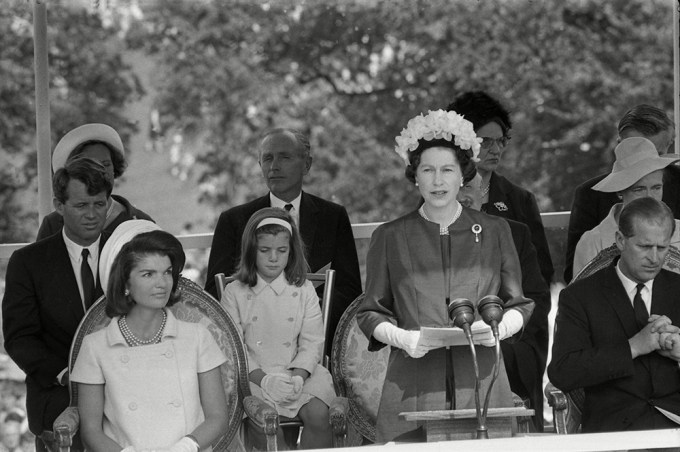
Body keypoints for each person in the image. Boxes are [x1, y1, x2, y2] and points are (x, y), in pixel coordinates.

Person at [357, 109, 534, 442]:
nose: (438, 181)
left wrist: (497, 331)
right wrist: (403, 339)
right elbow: (370, 313)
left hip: (482, 377)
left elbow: (520, 304)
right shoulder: (390, 236)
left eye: (447, 170)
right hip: (414, 381)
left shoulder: (497, 231)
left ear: (462, 176)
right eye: (428, 170)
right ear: (415, 176)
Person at [70, 222, 229, 451]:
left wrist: (184, 447)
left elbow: (217, 418)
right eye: (148, 274)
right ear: (125, 283)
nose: (162, 283)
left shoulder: (197, 337)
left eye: (167, 272)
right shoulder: (95, 346)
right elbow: (91, 431)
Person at [205, 128, 362, 354]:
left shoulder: (332, 217)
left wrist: (308, 314)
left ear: (306, 164)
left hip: (317, 343)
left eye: (284, 157)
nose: (273, 166)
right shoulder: (234, 220)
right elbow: (215, 289)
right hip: (253, 346)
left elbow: (349, 289)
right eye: (267, 158)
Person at [2, 158, 112, 450]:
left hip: (125, 392)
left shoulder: (128, 256)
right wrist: (67, 375)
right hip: (58, 394)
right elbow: (19, 338)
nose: (91, 214)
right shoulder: (28, 263)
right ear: (59, 205)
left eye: (99, 204)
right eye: (81, 205)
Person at [549, 197, 680, 432]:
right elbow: (563, 371)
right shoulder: (580, 296)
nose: (654, 257)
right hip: (613, 432)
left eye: (662, 248)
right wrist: (633, 347)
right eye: (644, 246)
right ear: (620, 240)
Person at [222, 207, 335, 449]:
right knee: (265, 423)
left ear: (291, 252)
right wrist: (264, 381)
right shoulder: (235, 292)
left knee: (319, 416)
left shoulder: (303, 289)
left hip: (299, 372)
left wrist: (298, 376)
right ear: (251, 251)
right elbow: (233, 348)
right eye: (265, 251)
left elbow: (312, 341)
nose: (273, 258)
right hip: (253, 377)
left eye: (281, 251)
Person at [458, 172, 550, 431]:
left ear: (481, 192)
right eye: (455, 186)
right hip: (444, 348)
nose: (463, 196)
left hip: (507, 344)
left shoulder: (514, 233)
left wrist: (503, 333)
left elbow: (536, 298)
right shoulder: (416, 237)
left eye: (469, 186)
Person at [447, 91, 553, 285]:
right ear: (460, 142)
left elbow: (541, 277)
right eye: (485, 142)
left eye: (501, 141)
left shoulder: (521, 200)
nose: (496, 150)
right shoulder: (438, 196)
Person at [565, 104, 680, 282]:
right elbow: (577, 280)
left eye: (655, 155)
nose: (646, 164)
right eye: (635, 150)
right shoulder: (589, 199)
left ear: (669, 145)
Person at [36, 123, 153, 241]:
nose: (100, 171)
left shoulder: (141, 224)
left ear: (114, 168)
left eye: (106, 164)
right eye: (91, 164)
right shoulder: (54, 224)